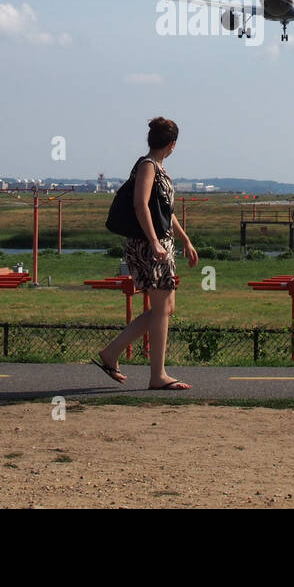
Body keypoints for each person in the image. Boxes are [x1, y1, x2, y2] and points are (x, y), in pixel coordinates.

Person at [95, 116, 198, 390]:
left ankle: (112, 352)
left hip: (162, 243)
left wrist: (185, 240)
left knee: (166, 308)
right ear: (173, 145)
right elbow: (141, 205)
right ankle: (157, 375)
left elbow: (166, 213)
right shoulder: (148, 167)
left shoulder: (159, 170)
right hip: (149, 245)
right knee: (162, 308)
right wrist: (154, 241)